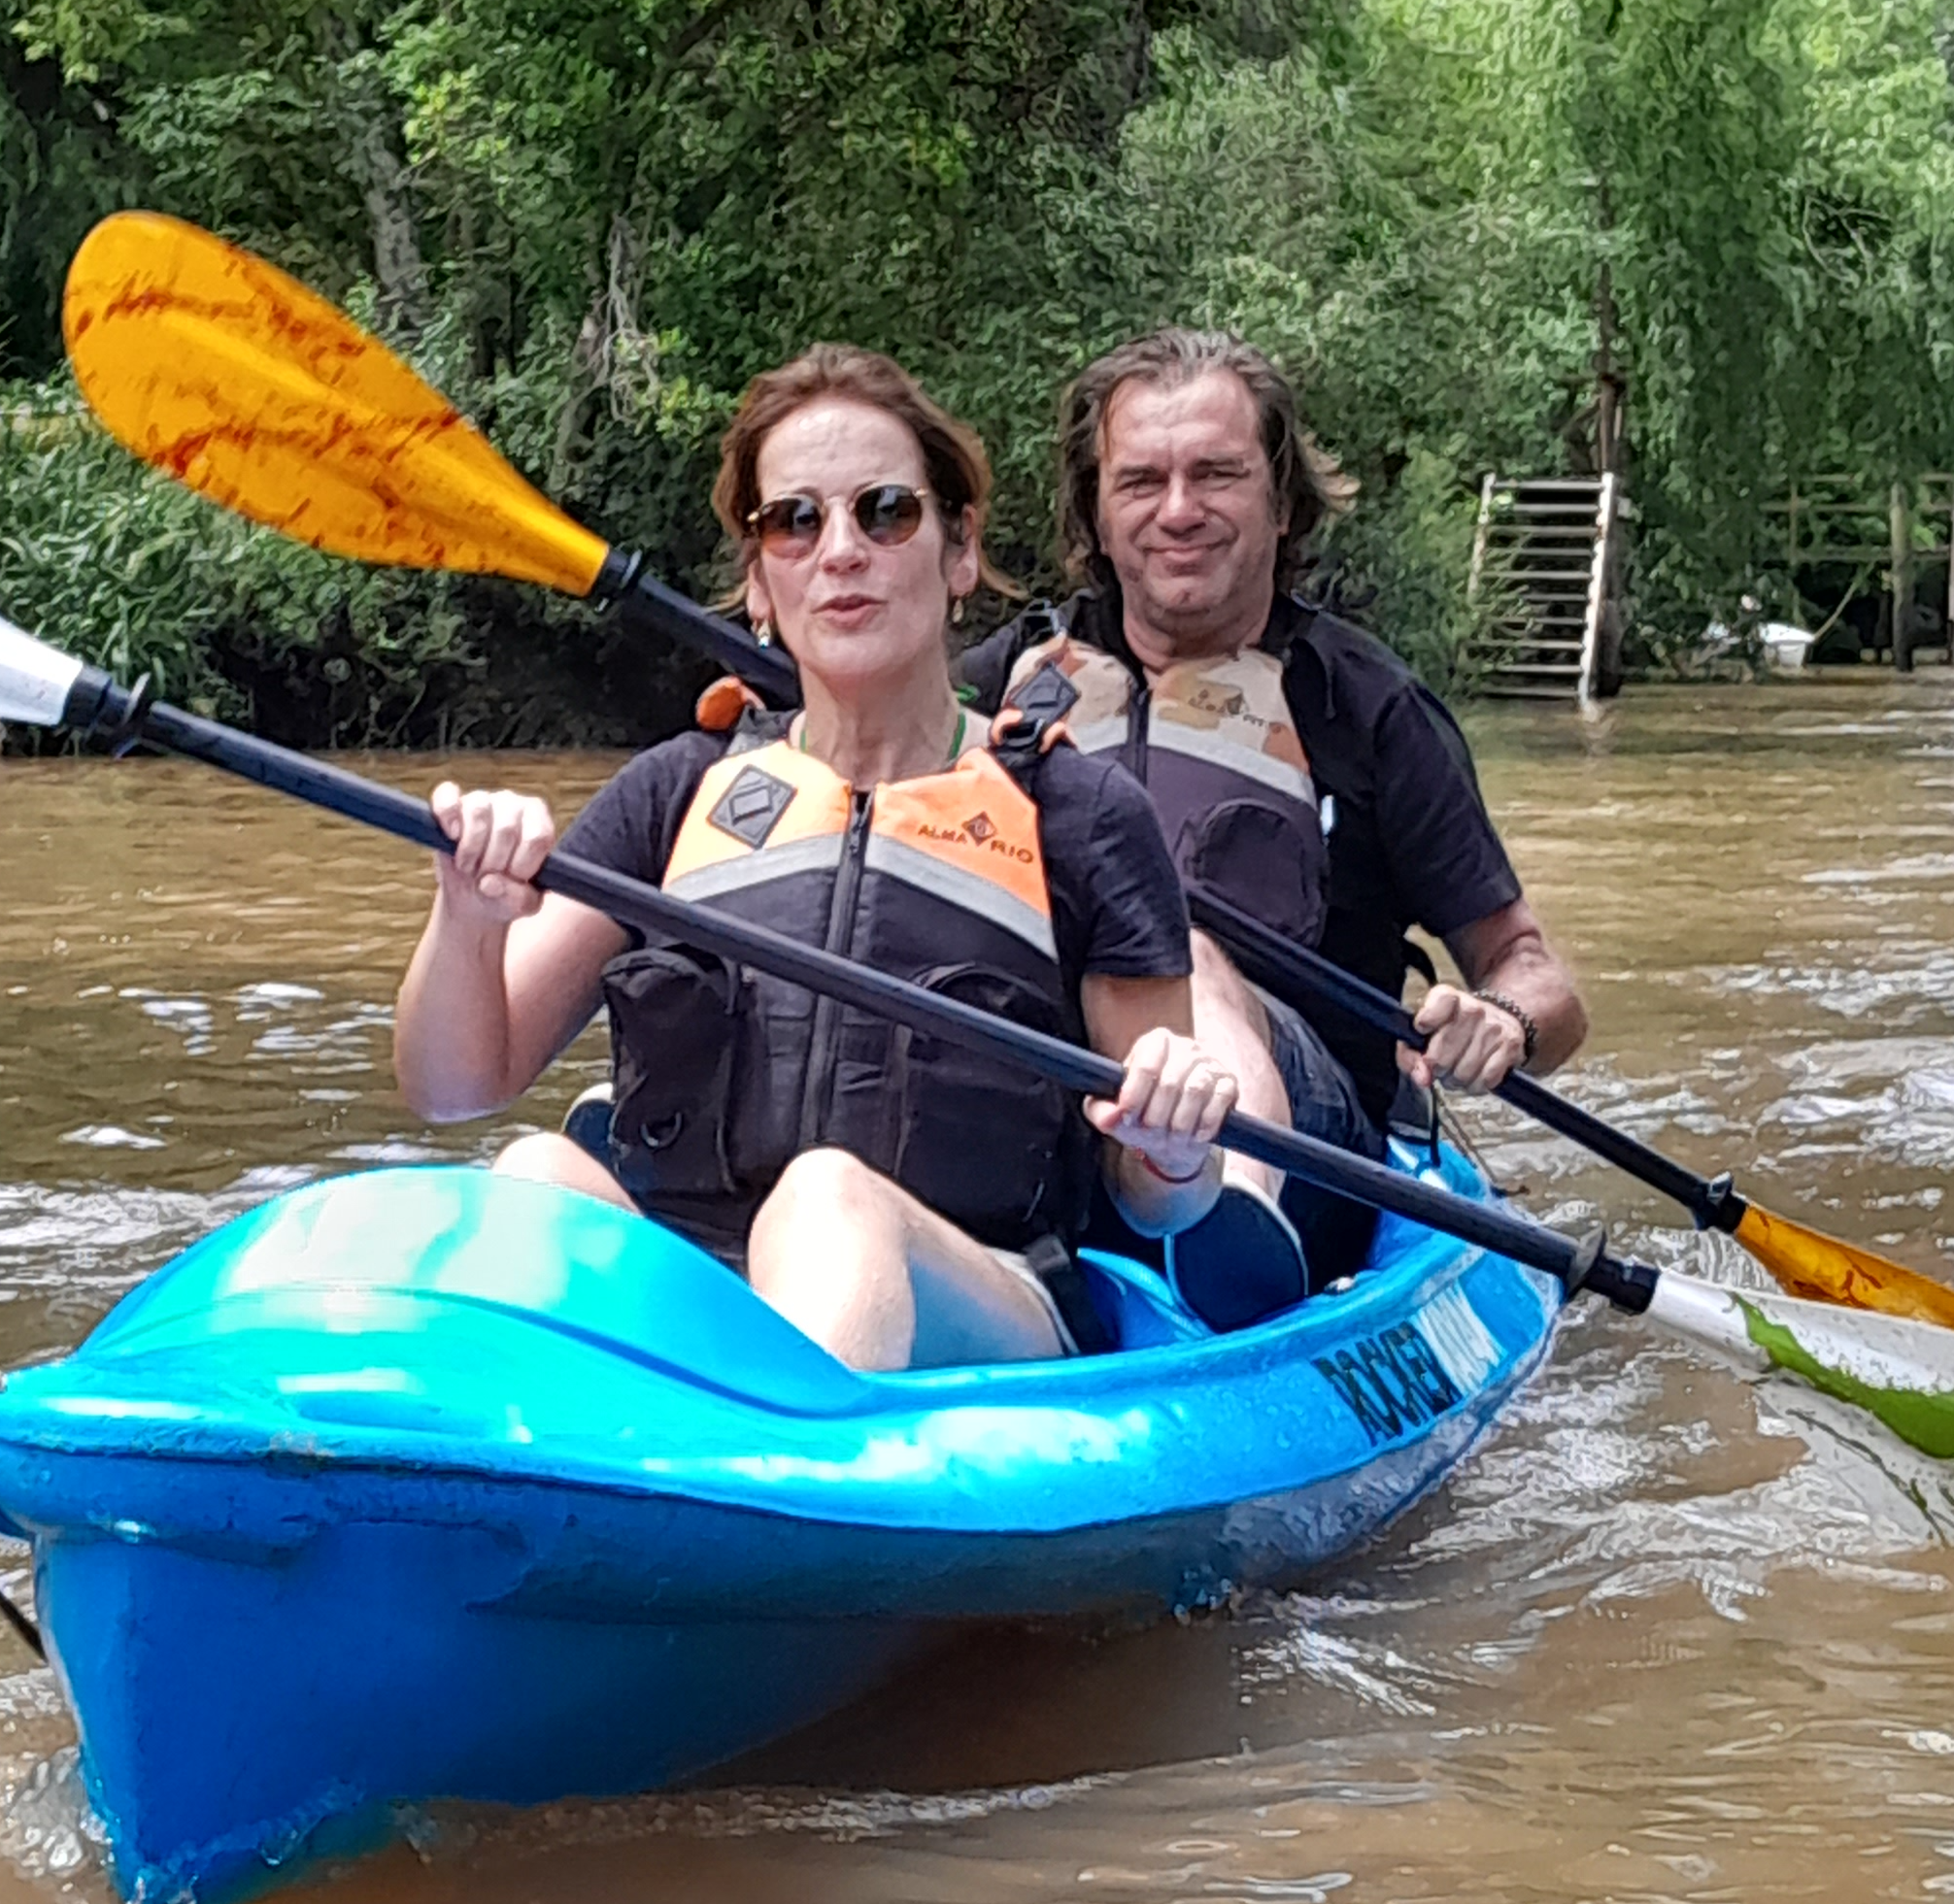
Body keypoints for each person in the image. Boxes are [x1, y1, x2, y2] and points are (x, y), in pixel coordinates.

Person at [393, 344, 1242, 1374]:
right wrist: (468, 916)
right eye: (793, 521)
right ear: (758, 580)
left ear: (958, 548)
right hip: (699, 1276)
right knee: (531, 1167)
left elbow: (1156, 1194)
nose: (839, 549)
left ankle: (770, 1484)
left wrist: (1175, 1143)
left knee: (828, 1198)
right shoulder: (675, 790)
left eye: (884, 511)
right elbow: (453, 1085)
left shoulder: (1076, 811)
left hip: (981, 1291)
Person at [958, 328, 1588, 1329]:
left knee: (1179, 948)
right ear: (1094, 508)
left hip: (1306, 1156)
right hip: (1058, 1112)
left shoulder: (1368, 708)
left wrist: (1501, 1020)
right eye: (1140, 480)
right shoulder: (999, 688)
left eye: (1216, 474)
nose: (1178, 511)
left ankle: (1228, 1225)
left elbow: (1532, 974)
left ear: (1280, 500)